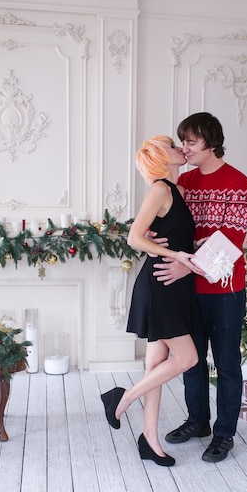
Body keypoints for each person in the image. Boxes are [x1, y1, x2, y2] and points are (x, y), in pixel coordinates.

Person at [153, 112, 247, 463]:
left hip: (225, 291)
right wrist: (158, 238)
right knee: (191, 360)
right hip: (188, 291)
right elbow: (174, 224)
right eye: (183, 141)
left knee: (227, 364)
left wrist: (185, 266)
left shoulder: (239, 183)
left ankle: (224, 433)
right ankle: (198, 421)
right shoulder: (185, 181)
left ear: (212, 142)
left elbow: (230, 244)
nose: (185, 147)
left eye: (191, 141)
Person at [101, 135, 202, 467]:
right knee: (187, 357)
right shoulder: (160, 188)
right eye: (174, 146)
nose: (180, 150)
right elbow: (134, 236)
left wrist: (186, 256)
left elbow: (176, 236)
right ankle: (123, 398)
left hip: (175, 285)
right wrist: (176, 254)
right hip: (159, 284)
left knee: (156, 364)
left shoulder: (179, 191)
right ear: (162, 156)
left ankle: (149, 438)